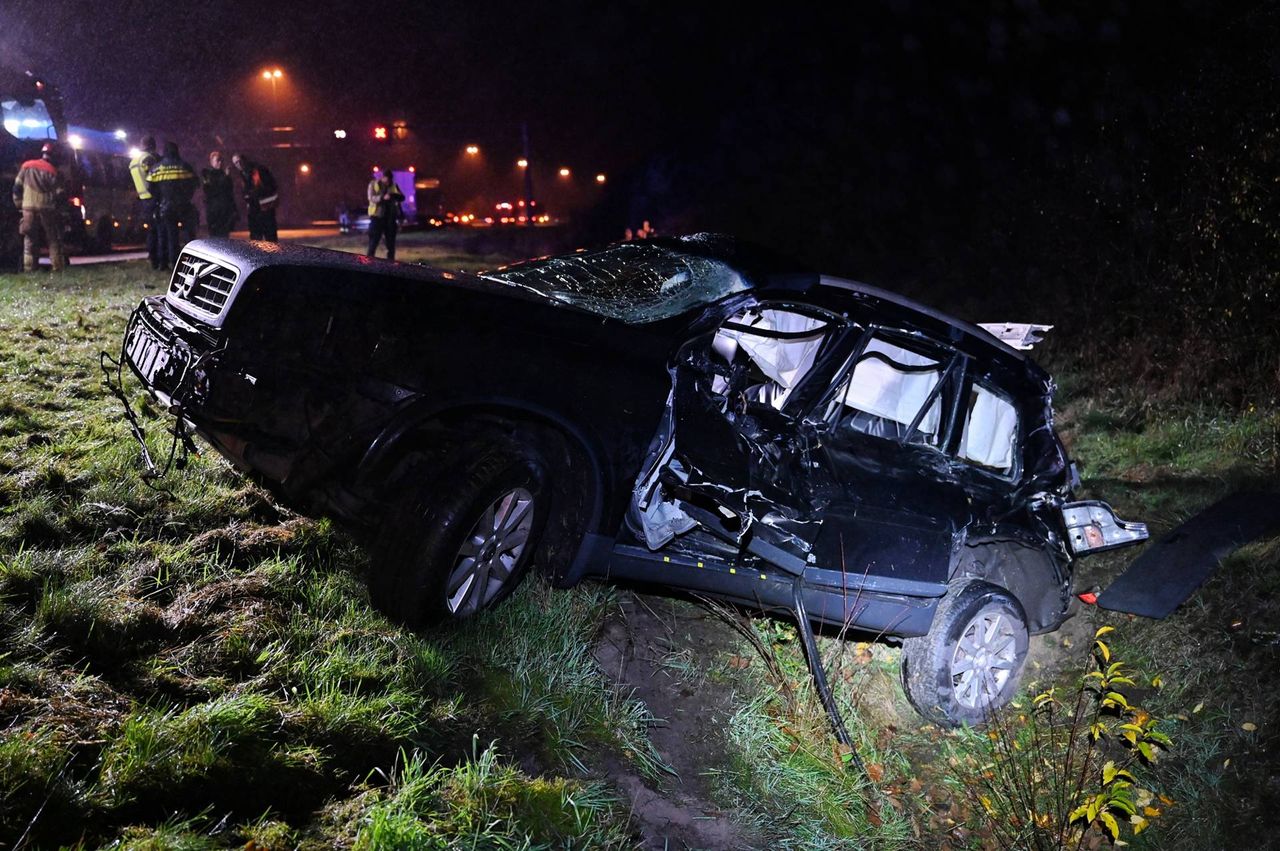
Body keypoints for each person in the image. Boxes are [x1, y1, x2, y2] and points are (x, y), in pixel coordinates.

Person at [11, 142, 67, 272]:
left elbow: (17, 187)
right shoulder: (53, 171)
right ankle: (57, 267)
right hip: (47, 208)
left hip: (28, 208)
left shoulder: (26, 166)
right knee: (53, 238)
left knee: (30, 238)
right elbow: (60, 194)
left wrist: (19, 203)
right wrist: (61, 209)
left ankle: (30, 268)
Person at [146, 142, 198, 270]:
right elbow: (194, 184)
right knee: (188, 236)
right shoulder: (185, 166)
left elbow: (151, 188)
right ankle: (190, 262)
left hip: (166, 207)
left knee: (170, 236)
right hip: (184, 206)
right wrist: (185, 197)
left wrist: (159, 200)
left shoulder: (157, 168)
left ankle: (173, 262)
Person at [128, 136, 161, 268]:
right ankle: (156, 258)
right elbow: (155, 177)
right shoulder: (148, 159)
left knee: (151, 230)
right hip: (153, 198)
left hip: (143, 200)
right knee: (157, 230)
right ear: (152, 146)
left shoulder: (134, 161)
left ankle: (152, 256)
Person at [231, 153, 278, 241]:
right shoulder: (241, 175)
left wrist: (256, 194)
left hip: (266, 209)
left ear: (244, 160)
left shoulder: (259, 170)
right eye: (236, 163)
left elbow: (272, 186)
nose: (238, 164)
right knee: (256, 241)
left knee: (271, 240)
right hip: (254, 212)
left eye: (239, 161)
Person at [366, 167, 404, 260]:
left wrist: (394, 196)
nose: (388, 182)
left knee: (390, 244)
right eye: (387, 180)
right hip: (377, 217)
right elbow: (371, 198)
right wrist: (383, 197)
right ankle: (368, 262)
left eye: (390, 180)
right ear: (383, 177)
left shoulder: (394, 185)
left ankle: (390, 264)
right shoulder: (374, 184)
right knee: (373, 242)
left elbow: (402, 197)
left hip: (390, 218)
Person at [201, 151, 237, 238]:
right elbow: (212, 190)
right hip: (214, 212)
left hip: (224, 212)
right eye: (217, 160)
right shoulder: (207, 174)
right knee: (214, 238)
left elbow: (230, 192)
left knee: (224, 237)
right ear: (211, 162)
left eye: (221, 160)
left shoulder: (224, 174)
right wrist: (226, 177)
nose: (220, 163)